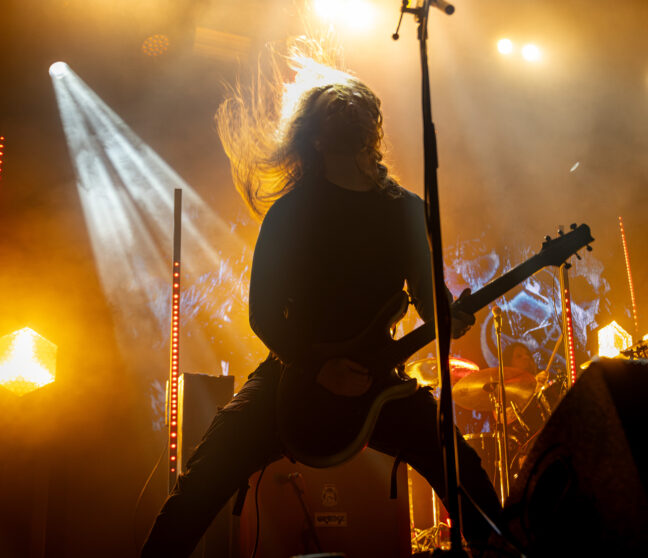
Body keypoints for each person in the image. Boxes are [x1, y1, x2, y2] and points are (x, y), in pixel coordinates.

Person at [141, 61, 502, 557]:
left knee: (465, 476)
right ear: (314, 136)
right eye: (334, 107)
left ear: (372, 127)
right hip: (293, 374)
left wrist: (448, 317)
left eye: (356, 105)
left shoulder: (405, 209)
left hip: (378, 379)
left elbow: (425, 294)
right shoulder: (291, 212)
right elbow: (263, 314)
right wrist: (318, 368)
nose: (347, 108)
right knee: (200, 483)